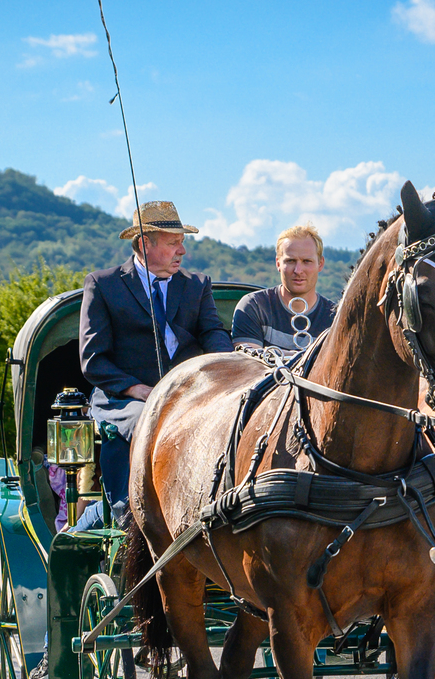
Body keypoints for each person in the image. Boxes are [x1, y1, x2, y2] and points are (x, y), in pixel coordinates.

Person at [78, 200, 233, 522]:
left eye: (182, 243)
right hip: (126, 398)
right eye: (174, 243)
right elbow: (93, 359)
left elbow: (213, 332)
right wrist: (137, 389)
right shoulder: (104, 285)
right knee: (143, 424)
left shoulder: (196, 285)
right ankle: (129, 514)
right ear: (144, 244)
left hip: (188, 393)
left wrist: (227, 368)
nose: (182, 252)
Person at [230, 224, 337, 357]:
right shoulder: (255, 306)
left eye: (307, 261)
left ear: (320, 264)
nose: (298, 270)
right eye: (290, 261)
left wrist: (275, 354)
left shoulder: (335, 318)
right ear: (278, 263)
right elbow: (248, 363)